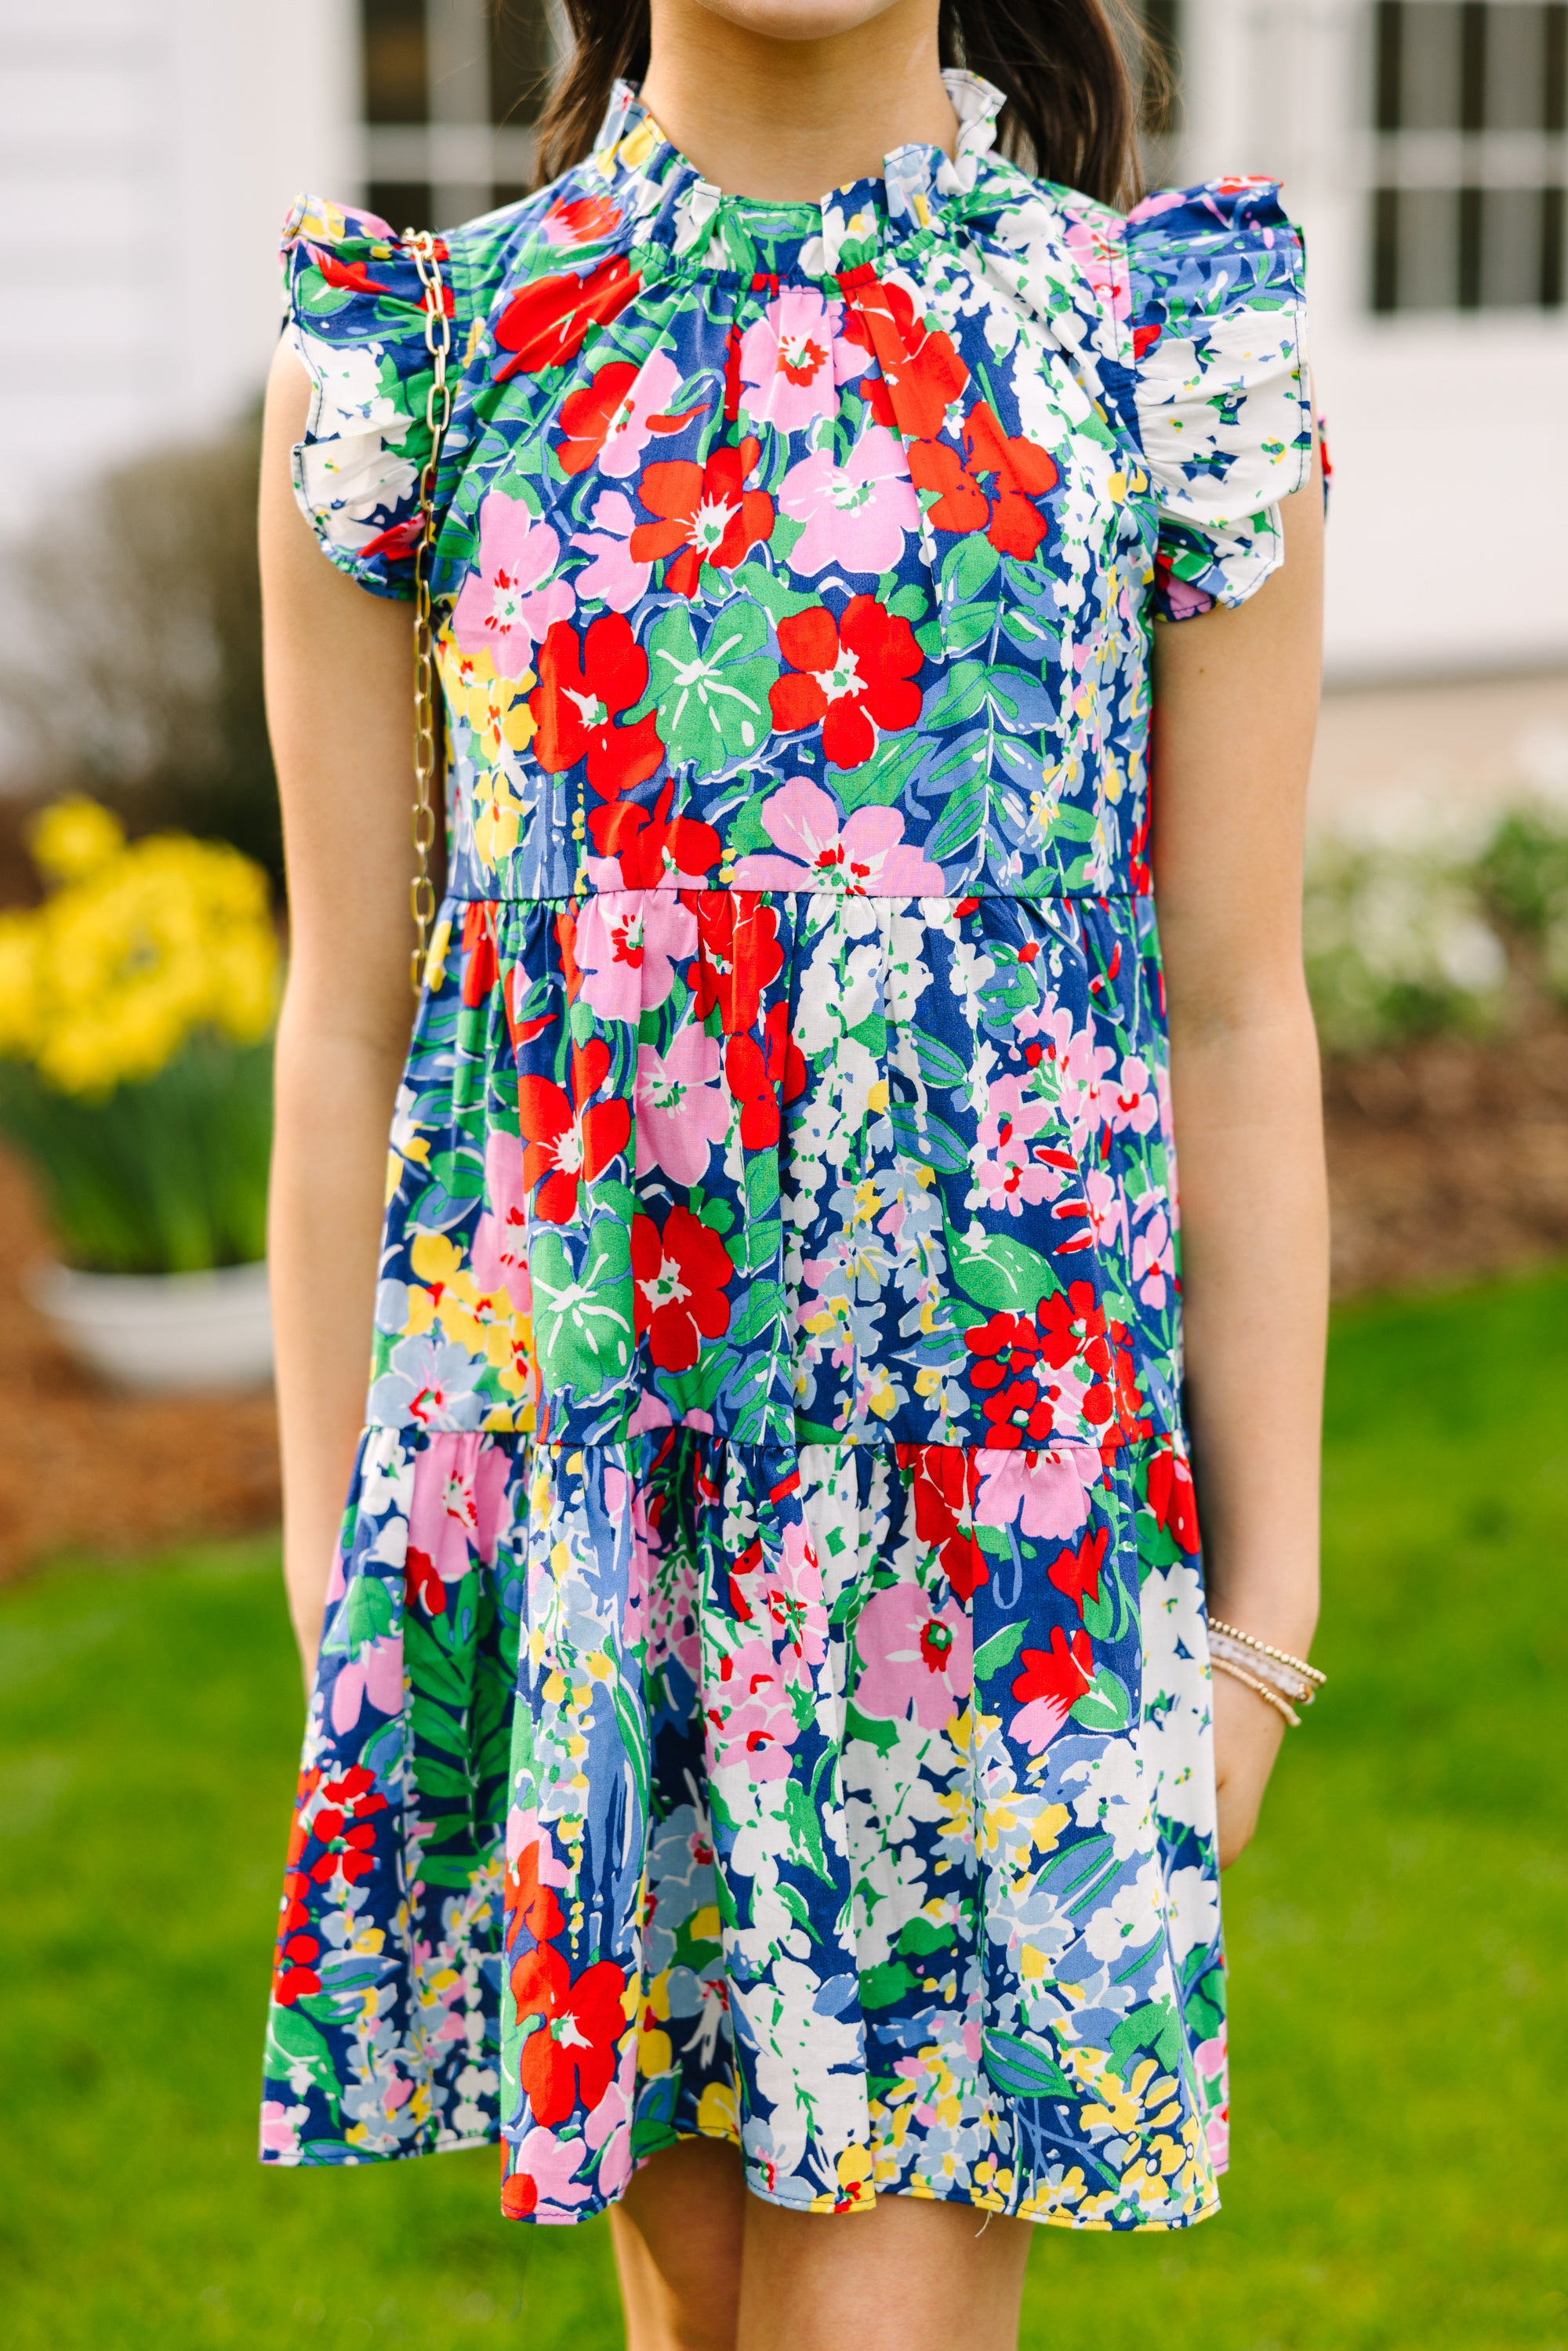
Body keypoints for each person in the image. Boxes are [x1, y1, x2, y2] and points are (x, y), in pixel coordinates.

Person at [256, 2, 1328, 2344]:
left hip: (998, 1577)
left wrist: (1261, 1631)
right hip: (581, 1553)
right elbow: (348, 1017)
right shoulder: (431, 362)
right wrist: (356, 1605)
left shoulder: (1153, 348)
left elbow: (1240, 1010)